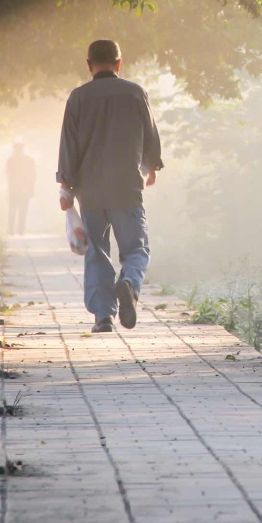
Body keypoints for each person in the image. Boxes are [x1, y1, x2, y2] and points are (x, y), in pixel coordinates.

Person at [57, 39, 163, 333]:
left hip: (89, 191)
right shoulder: (135, 93)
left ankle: (103, 317)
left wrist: (65, 185)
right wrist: (152, 166)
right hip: (126, 187)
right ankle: (129, 283)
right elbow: (150, 135)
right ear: (119, 63)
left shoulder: (78, 97)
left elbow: (68, 144)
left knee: (97, 252)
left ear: (89, 65)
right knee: (136, 248)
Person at [5, 141, 36, 236]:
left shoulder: (10, 160)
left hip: (15, 188)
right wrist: (30, 188)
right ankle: (20, 229)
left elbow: (8, 174)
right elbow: (33, 176)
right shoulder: (29, 160)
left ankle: (12, 230)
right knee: (22, 209)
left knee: (13, 209)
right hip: (23, 188)